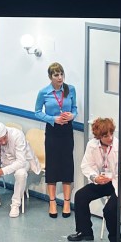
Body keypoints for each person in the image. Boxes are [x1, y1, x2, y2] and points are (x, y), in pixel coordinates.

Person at [68, 116, 121, 242]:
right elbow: (86, 165)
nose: (110, 138)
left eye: (111, 133)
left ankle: (115, 240)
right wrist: (95, 178)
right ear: (98, 136)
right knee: (80, 196)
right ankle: (85, 232)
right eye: (106, 135)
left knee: (109, 209)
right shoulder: (92, 145)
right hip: (104, 181)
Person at [33, 62, 78, 218]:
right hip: (52, 131)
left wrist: (72, 116)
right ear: (50, 77)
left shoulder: (70, 89)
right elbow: (37, 112)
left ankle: (66, 202)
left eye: (61, 74)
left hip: (67, 130)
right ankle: (52, 202)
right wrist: (53, 119)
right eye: (56, 75)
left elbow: (75, 108)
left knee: (67, 166)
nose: (60, 78)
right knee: (52, 166)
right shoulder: (44, 92)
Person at [0, 122, 40, 218]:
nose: (3, 142)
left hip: (24, 160)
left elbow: (20, 162)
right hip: (5, 161)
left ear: (6, 132)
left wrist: (0, 171)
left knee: (21, 173)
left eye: (4, 138)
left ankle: (15, 204)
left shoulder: (17, 135)